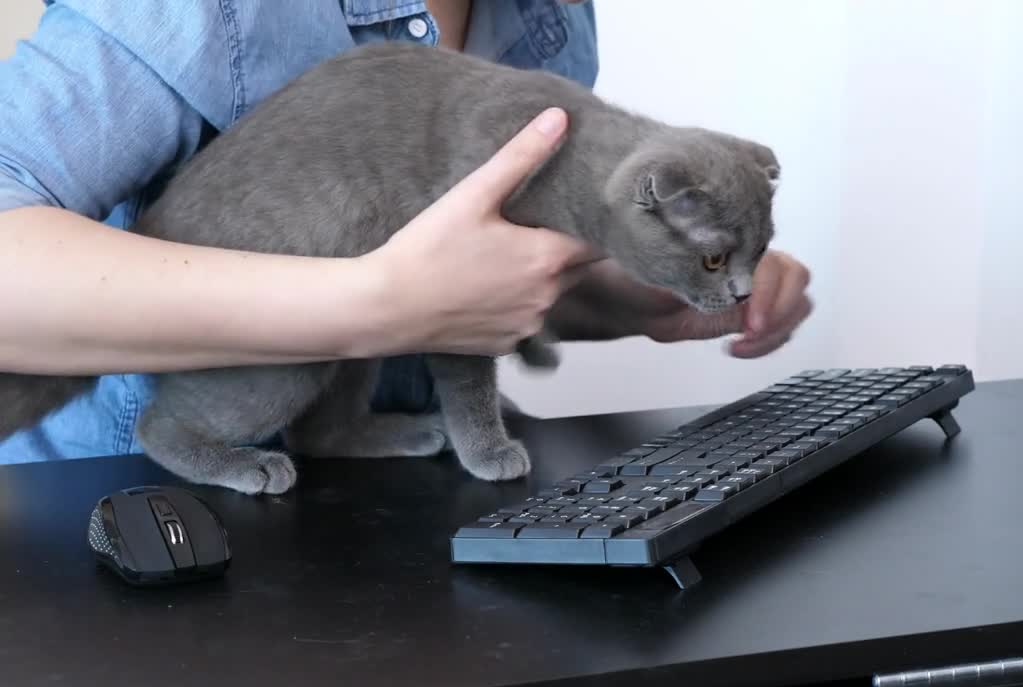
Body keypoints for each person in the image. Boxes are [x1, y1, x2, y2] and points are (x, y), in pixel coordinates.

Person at [0, 0, 813, 463]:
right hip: (122, 534)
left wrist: (635, 294)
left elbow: (469, 274)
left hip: (367, 522)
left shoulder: (547, 15)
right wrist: (373, 302)